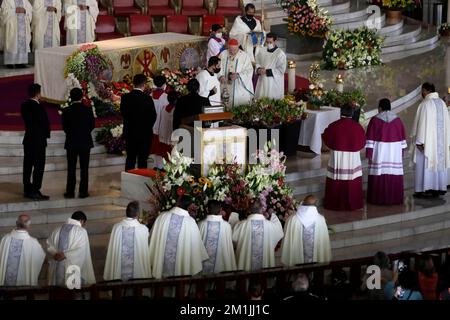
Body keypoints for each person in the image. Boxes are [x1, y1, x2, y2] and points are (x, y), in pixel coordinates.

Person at [148, 196, 208, 279]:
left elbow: (152, 239)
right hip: (181, 273)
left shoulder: (162, 217)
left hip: (160, 268)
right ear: (189, 206)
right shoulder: (190, 222)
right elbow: (196, 248)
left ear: (178, 202)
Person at [322, 103, 366, 211]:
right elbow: (363, 142)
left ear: (341, 113)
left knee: (336, 178)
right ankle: (353, 203)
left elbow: (326, 138)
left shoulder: (333, 126)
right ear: (352, 113)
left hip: (337, 157)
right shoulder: (357, 127)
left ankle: (334, 203)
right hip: (353, 158)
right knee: (352, 180)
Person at [411, 82, 450, 198]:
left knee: (425, 163)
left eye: (422, 91)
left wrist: (419, 141)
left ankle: (424, 189)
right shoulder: (442, 104)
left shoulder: (425, 104)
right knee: (438, 161)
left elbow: (421, 123)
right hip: (441, 143)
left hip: (426, 143)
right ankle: (439, 187)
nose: (421, 93)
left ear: (425, 90)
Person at [366, 98, 407, 205]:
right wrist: (401, 152)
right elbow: (403, 139)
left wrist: (369, 154)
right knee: (393, 172)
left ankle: (378, 198)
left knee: (379, 172)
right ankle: (395, 198)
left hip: (380, 153)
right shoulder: (398, 120)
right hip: (394, 153)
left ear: (380, 108)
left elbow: (369, 139)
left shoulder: (375, 120)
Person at [104, 201, 152, 281]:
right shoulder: (143, 229)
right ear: (137, 214)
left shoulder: (116, 228)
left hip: (119, 275)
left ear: (126, 212)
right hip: (138, 274)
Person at [62, 87, 95, 199]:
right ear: (82, 97)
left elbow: (65, 127)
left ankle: (70, 191)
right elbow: (92, 126)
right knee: (84, 168)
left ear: (71, 97)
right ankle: (83, 192)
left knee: (71, 168)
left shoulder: (66, 111)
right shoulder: (88, 110)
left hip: (71, 142)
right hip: (85, 142)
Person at [47, 211, 96, 286]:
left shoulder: (57, 230)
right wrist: (65, 255)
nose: (83, 225)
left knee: (57, 293)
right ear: (81, 221)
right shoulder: (81, 231)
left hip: (57, 266)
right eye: (84, 223)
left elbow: (48, 245)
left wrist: (55, 254)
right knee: (72, 293)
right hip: (72, 267)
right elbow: (81, 250)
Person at [232, 199, 284, 271]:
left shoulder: (241, 225)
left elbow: (233, 237)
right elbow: (279, 232)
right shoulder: (270, 225)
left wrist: (234, 217)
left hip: (246, 267)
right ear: (261, 210)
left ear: (249, 210)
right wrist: (274, 217)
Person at [281, 195, 331, 266]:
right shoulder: (321, 220)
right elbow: (324, 242)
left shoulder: (292, 220)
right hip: (316, 265)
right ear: (315, 205)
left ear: (303, 203)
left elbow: (287, 241)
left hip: (296, 263)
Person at [121, 74, 157, 170]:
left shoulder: (125, 98)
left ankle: (128, 182)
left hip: (130, 133)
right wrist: (146, 127)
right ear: (144, 84)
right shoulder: (148, 98)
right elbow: (153, 116)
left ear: (133, 83)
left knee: (130, 159)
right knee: (143, 160)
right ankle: (140, 182)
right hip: (144, 134)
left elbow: (123, 114)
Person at [21, 83, 50, 200]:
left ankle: (27, 189)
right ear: (38, 94)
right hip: (38, 141)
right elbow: (44, 123)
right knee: (39, 166)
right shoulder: (39, 107)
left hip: (28, 140)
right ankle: (35, 190)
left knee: (27, 165)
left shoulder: (24, 105)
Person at [0, 214, 45, 286]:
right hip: (24, 285)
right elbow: (40, 257)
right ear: (28, 225)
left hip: (5, 287)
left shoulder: (5, 239)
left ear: (16, 223)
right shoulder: (33, 243)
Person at [198, 200, 237, 274]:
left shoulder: (201, 225)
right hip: (222, 264)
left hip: (203, 264)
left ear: (207, 209)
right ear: (221, 209)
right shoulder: (226, 226)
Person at [218, 38, 254, 108]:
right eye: (230, 49)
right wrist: (220, 76)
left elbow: (249, 70)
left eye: (234, 50)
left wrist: (238, 75)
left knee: (238, 106)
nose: (232, 52)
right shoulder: (223, 54)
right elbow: (218, 67)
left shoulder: (244, 56)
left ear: (238, 47)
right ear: (228, 47)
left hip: (239, 86)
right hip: (225, 85)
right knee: (225, 105)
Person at [0, 0, 32, 68]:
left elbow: (30, 10)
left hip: (23, 26)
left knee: (22, 43)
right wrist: (14, 10)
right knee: (12, 42)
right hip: (12, 26)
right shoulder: (7, 1)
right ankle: (10, 62)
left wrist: (25, 11)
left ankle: (21, 62)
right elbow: (3, 13)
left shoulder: (25, 1)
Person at [151, 91, 178, 168]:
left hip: (163, 133)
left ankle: (160, 166)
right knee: (169, 154)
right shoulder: (175, 110)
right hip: (171, 134)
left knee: (162, 153)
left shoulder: (164, 108)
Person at [255, 33, 286, 100]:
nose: (268, 44)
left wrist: (267, 71)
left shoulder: (280, 54)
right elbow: (257, 62)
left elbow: (281, 70)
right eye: (267, 42)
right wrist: (259, 69)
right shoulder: (262, 50)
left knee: (271, 102)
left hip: (273, 81)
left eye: (270, 42)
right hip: (262, 80)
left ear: (275, 41)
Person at [150, 75, 169, 169]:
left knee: (155, 146)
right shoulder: (165, 97)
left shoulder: (150, 96)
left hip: (152, 125)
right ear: (164, 84)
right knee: (161, 146)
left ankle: (156, 165)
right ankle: (161, 166)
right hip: (162, 124)